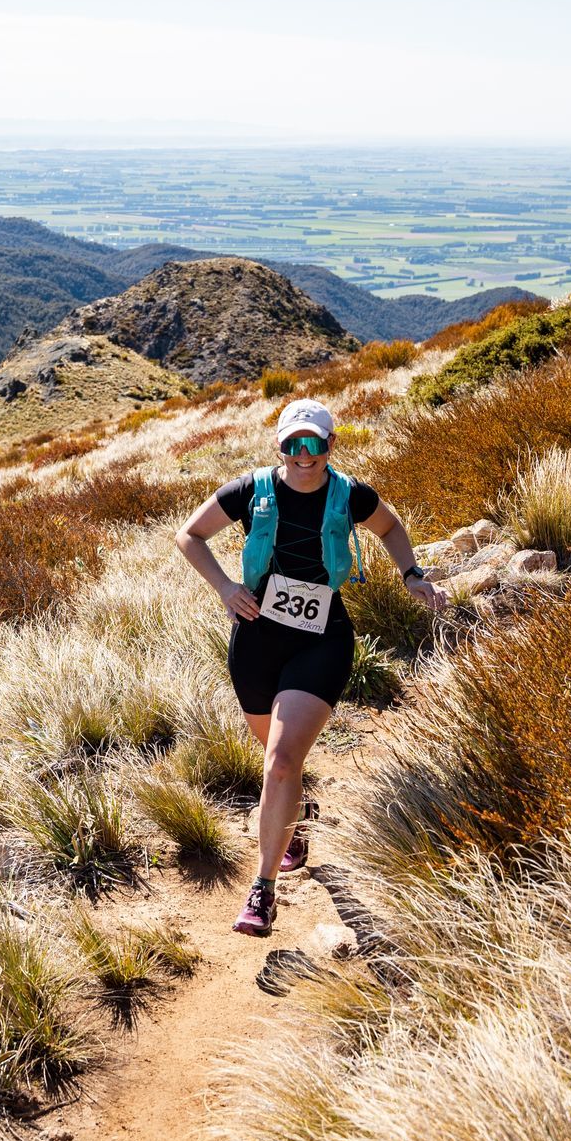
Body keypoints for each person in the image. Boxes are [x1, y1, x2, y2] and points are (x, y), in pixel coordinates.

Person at [174, 397, 446, 936]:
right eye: (293, 444)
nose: (304, 455)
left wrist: (411, 573)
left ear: (330, 446)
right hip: (254, 637)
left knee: (278, 762)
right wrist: (226, 588)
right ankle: (293, 823)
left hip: (322, 636)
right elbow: (189, 535)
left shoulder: (351, 495)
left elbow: (390, 528)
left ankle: (262, 893)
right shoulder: (250, 490)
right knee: (277, 756)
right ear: (280, 446)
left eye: (314, 444)